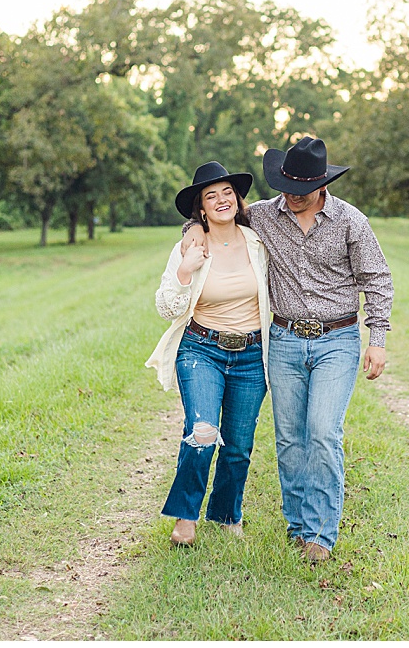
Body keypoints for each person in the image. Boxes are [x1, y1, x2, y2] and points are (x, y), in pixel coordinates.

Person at [182, 136, 393, 564]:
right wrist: (191, 235)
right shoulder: (262, 215)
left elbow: (378, 279)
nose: (292, 197)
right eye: (286, 187)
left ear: (322, 184)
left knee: (323, 432)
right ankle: (297, 526)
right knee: (290, 438)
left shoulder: (351, 221)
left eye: (301, 189)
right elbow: (212, 217)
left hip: (337, 339)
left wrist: (379, 340)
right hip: (283, 340)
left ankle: (320, 533)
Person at [145, 161, 271, 548]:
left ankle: (227, 513)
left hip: (251, 354)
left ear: (238, 199)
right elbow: (166, 306)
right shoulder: (191, 247)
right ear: (200, 209)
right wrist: (185, 270)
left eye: (227, 193)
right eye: (211, 196)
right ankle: (186, 518)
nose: (221, 200)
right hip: (201, 349)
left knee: (238, 444)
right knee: (201, 432)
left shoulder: (258, 241)